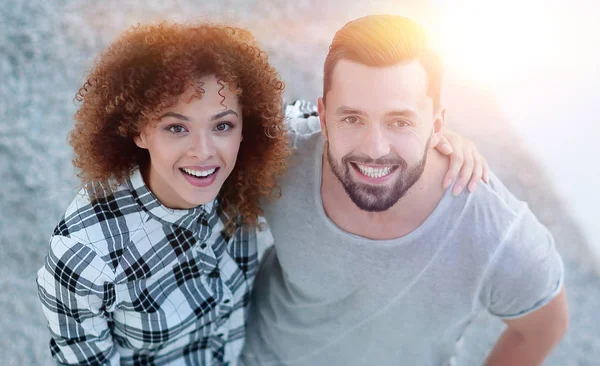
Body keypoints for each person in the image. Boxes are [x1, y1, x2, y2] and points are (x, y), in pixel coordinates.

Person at [35, 20, 484, 365]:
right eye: (176, 127)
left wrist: (438, 138)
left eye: (223, 125)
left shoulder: (247, 162)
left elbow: (343, 122)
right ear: (137, 130)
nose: (205, 153)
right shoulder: (83, 256)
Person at [241, 15, 568, 366]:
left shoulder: (498, 232)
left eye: (400, 122)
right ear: (322, 117)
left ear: (436, 125)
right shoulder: (278, 155)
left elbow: (543, 327)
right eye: (352, 118)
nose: (376, 148)